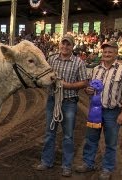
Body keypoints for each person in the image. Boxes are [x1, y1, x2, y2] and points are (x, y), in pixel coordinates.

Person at [75, 40, 122, 180]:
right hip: (95, 111)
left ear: (116, 54)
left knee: (111, 142)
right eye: (105, 51)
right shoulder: (96, 69)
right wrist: (88, 90)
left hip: (112, 112)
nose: (107, 54)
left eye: (110, 52)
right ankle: (88, 163)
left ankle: (107, 169)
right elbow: (91, 89)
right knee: (91, 139)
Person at [34, 34, 88, 177]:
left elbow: (84, 82)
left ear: (72, 46)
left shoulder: (79, 63)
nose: (65, 46)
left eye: (68, 44)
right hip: (53, 100)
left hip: (69, 102)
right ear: (60, 45)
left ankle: (66, 165)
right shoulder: (51, 59)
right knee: (49, 132)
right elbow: (44, 74)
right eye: (63, 44)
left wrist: (67, 85)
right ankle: (46, 161)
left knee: (68, 136)